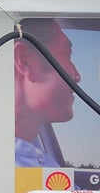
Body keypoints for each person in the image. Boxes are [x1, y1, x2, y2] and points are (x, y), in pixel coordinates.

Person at [14, 17, 81, 167]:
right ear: (24, 61)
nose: (77, 76)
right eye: (67, 55)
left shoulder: (40, 161)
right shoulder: (17, 163)